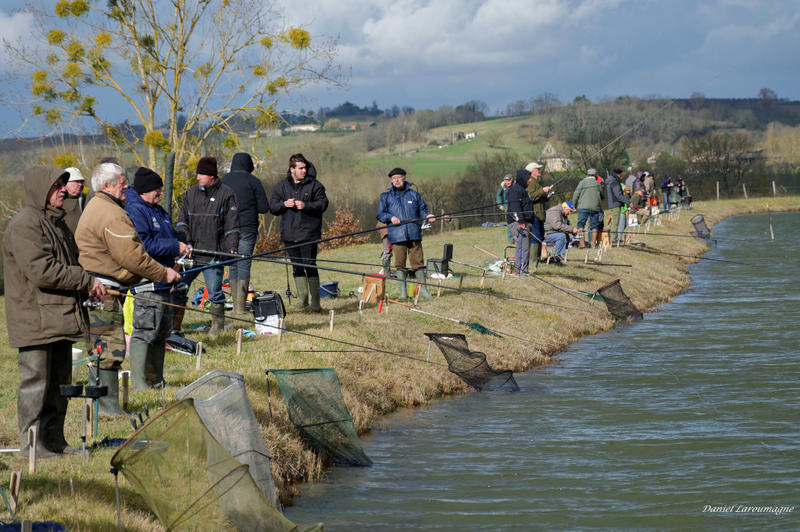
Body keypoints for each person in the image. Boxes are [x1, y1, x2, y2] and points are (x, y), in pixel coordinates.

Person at [3, 166, 106, 458]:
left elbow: (70, 264)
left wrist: (88, 282)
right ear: (40, 189)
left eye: (63, 184)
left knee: (61, 384)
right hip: (34, 318)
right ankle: (31, 446)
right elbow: (41, 271)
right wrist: (85, 280)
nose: (63, 189)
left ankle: (55, 441)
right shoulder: (25, 225)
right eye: (56, 185)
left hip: (59, 315)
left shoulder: (57, 223)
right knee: (35, 383)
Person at [76, 162, 180, 415]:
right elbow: (133, 256)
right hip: (104, 290)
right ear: (107, 185)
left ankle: (103, 405)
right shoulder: (111, 213)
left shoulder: (101, 206)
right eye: (122, 182)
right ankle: (106, 407)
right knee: (108, 348)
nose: (126, 186)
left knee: (104, 346)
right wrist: (162, 273)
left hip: (104, 287)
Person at [124, 167, 190, 390]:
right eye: (157, 189)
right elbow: (144, 246)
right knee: (144, 331)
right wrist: (174, 245)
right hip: (148, 282)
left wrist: (180, 249)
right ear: (144, 190)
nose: (160, 192)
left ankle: (157, 379)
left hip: (166, 280)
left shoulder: (158, 211)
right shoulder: (135, 211)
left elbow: (170, 237)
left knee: (162, 332)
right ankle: (139, 382)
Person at [176, 156, 240, 333]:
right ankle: (174, 328)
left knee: (215, 292)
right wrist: (186, 242)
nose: (197, 177)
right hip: (191, 254)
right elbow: (182, 221)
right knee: (179, 287)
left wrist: (232, 246)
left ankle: (217, 327)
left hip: (214, 254)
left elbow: (232, 224)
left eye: (201, 174)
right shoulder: (190, 194)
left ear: (212, 176)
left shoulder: (227, 194)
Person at [270, 153, 329, 311]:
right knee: (296, 267)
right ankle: (303, 301)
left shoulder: (315, 185)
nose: (304, 171)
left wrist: (307, 205)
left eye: (305, 168)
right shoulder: (281, 186)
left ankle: (316, 303)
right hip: (289, 234)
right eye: (300, 168)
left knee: (310, 265)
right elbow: (273, 207)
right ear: (292, 169)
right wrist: (284, 204)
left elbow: (323, 204)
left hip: (309, 233)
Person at [221, 152, 268, 314]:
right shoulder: (253, 181)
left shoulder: (224, 181)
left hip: (228, 229)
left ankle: (235, 306)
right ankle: (241, 308)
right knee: (244, 264)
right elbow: (263, 208)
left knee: (233, 264)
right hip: (248, 227)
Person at [376, 167, 435, 299]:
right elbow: (380, 214)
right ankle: (403, 294)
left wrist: (427, 215)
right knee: (400, 264)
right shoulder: (385, 196)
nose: (396, 180)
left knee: (418, 263)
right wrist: (390, 218)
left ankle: (424, 291)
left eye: (399, 177)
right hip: (397, 235)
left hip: (414, 233)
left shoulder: (414, 195)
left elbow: (422, 210)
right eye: (394, 178)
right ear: (391, 180)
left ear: (404, 178)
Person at [505, 170, 535, 275]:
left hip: (524, 222)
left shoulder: (522, 189)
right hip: (519, 223)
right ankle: (522, 270)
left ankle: (521, 269)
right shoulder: (515, 190)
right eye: (528, 178)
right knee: (523, 247)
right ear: (523, 178)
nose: (530, 180)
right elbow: (515, 207)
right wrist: (521, 221)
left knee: (523, 246)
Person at [524, 162, 552, 263]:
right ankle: (533, 260)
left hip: (540, 214)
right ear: (532, 171)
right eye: (537, 169)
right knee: (535, 236)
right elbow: (530, 197)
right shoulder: (531, 182)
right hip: (535, 214)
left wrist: (546, 197)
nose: (539, 170)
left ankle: (539, 258)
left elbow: (538, 197)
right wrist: (542, 191)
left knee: (540, 235)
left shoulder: (536, 181)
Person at [571, 168, 604, 248]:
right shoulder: (598, 183)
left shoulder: (582, 182)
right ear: (595, 175)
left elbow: (576, 194)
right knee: (594, 226)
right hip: (595, 208)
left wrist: (573, 205)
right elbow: (602, 196)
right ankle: (593, 244)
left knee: (581, 225)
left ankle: (582, 243)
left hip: (583, 207)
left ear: (587, 175)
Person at [606, 168, 630, 245]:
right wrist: (628, 202)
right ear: (618, 174)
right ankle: (614, 239)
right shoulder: (614, 182)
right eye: (621, 175)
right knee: (615, 222)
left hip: (613, 203)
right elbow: (618, 195)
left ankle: (614, 238)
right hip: (615, 204)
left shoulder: (610, 180)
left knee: (615, 222)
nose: (621, 176)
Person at [62, 167, 86, 233]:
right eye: (77, 181)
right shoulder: (55, 200)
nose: (80, 184)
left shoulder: (85, 199)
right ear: (66, 182)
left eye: (81, 182)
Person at [495, 173, 514, 243]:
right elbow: (498, 195)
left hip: (515, 206)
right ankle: (511, 239)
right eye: (506, 180)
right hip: (507, 207)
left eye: (509, 180)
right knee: (510, 223)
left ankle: (516, 237)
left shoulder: (516, 185)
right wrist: (500, 205)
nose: (507, 182)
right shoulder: (502, 186)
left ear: (512, 180)